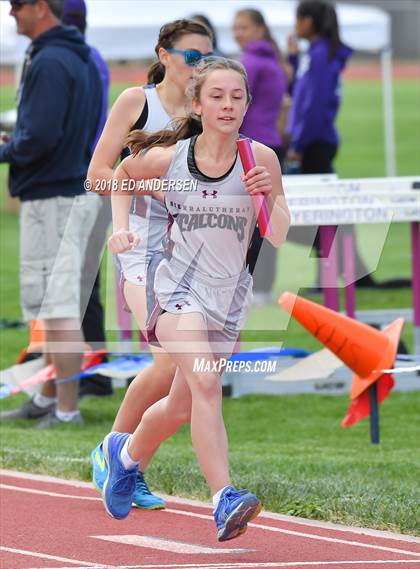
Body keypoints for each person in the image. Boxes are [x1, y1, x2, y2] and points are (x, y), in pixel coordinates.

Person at [102, 58, 290, 541]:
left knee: (182, 407)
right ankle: (224, 498)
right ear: (198, 104)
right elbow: (121, 175)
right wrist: (121, 231)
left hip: (226, 302)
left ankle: (123, 455)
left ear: (247, 104)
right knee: (206, 385)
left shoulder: (260, 159)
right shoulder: (173, 157)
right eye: (217, 96)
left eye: (237, 97)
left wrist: (265, 199)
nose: (228, 105)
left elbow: (280, 234)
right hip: (174, 292)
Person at [87, 19, 214, 509]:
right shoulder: (137, 102)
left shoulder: (206, 111)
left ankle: (125, 461)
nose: (200, 65)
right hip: (138, 243)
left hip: (191, 248)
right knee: (167, 360)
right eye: (191, 56)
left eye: (207, 55)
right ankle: (117, 456)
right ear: (164, 55)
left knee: (177, 375)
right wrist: (153, 185)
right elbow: (97, 175)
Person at [0, 0, 102, 427]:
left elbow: (39, 136)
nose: (10, 15)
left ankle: (66, 409)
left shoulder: (50, 58)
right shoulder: (79, 56)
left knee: (59, 309)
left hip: (54, 197)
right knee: (53, 305)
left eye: (15, 5)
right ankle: (47, 398)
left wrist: (8, 148)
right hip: (70, 188)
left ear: (41, 7)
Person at [62, 0, 113, 399]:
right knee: (80, 281)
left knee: (74, 281)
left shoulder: (72, 59)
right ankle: (93, 372)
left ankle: (82, 377)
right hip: (88, 179)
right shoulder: (91, 57)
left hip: (79, 181)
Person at [233, 8, 290, 305]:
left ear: (258, 29)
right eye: (235, 28)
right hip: (272, 145)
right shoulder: (273, 59)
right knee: (266, 218)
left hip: (252, 149)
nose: (237, 33)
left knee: (249, 221)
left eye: (243, 27)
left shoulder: (250, 63)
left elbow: (235, 104)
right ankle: (263, 288)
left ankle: (252, 288)